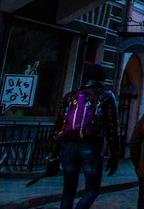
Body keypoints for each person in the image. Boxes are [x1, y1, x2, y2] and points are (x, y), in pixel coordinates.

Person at [51, 63, 121, 209]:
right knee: (92, 189)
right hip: (91, 147)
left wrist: (53, 153)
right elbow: (113, 128)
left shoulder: (70, 97)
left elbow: (58, 127)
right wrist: (115, 154)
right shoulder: (106, 96)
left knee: (68, 191)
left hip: (69, 146)